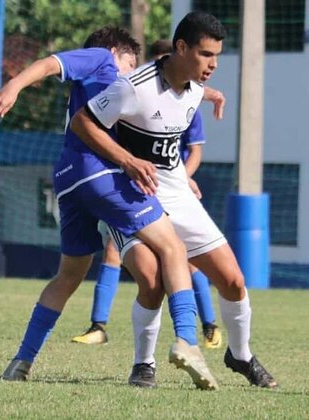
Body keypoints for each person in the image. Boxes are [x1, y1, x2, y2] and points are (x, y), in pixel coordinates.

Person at [0, 26, 218, 390]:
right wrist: (14, 85)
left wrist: (206, 93)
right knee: (172, 247)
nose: (131, 71)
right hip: (101, 173)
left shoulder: (116, 86)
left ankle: (21, 360)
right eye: (129, 63)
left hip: (68, 178)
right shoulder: (100, 59)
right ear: (116, 52)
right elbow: (51, 64)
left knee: (70, 274)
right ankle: (188, 341)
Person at [71, 11, 278, 389]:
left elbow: (184, 116)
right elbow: (82, 122)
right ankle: (143, 364)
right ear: (180, 48)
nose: (213, 64)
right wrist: (127, 160)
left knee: (233, 281)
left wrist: (184, 174)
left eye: (217, 56)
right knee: (151, 281)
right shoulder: (135, 87)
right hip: (130, 196)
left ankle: (241, 355)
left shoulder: (194, 89)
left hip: (178, 196)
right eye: (205, 55)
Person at [71, 39, 222, 350]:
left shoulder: (188, 99)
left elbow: (195, 151)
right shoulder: (134, 92)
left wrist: (183, 178)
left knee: (188, 260)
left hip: (171, 187)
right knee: (115, 251)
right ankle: (99, 325)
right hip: (134, 187)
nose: (157, 75)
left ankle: (208, 326)